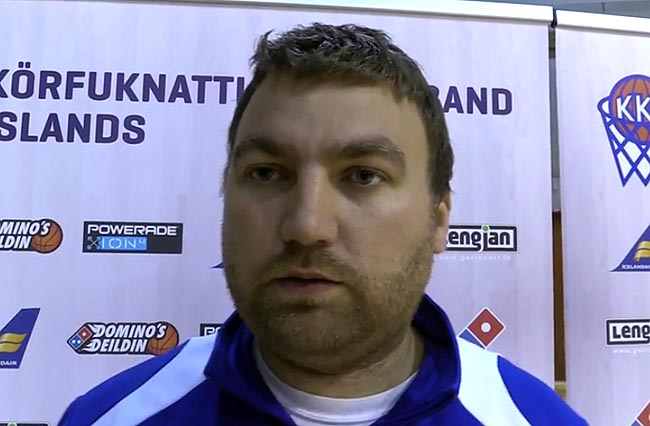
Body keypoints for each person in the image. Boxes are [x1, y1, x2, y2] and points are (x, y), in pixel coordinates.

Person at [59, 23, 587, 426]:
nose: (307, 225)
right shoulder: (110, 417)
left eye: (363, 176)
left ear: (438, 219)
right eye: (267, 173)